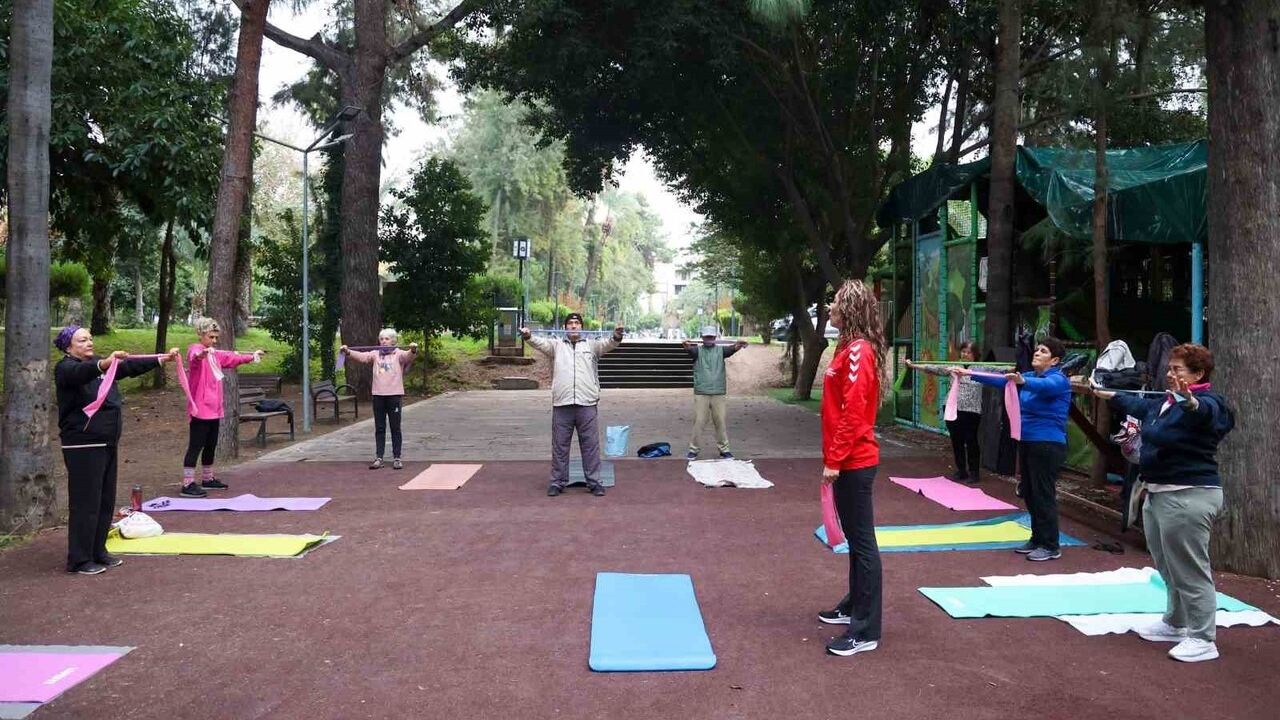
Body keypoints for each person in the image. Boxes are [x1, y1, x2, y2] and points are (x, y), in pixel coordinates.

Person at [1092, 343, 1233, 663]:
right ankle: (1176, 620)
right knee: (1168, 566)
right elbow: (1140, 406)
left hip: (1189, 496)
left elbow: (1206, 413)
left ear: (1198, 374)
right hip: (1158, 494)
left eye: (1178, 370)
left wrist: (1191, 399)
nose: (1170, 374)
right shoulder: (1164, 404)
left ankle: (1202, 637)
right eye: (1169, 368)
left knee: (1190, 569)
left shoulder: (1208, 404)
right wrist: (1108, 394)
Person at [54, 325, 179, 574]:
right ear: (69, 347)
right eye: (82, 340)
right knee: (85, 502)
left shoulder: (102, 366)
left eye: (90, 338)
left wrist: (159, 359)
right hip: (83, 443)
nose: (89, 342)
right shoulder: (66, 368)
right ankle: (79, 559)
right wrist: (103, 364)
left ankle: (98, 551)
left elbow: (127, 367)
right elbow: (82, 373)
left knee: (104, 500)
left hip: (107, 441)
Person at [816, 280, 886, 658]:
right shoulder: (846, 347)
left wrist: (834, 460)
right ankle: (853, 605)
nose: (830, 308)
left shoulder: (858, 350)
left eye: (835, 304)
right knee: (857, 543)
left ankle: (866, 630)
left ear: (851, 309)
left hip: (855, 462)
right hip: (847, 459)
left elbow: (854, 412)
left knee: (862, 544)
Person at [961, 337, 1072, 561]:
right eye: (1037, 350)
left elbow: (1045, 386)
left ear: (1055, 360)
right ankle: (1038, 538)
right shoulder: (1029, 377)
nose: (1037, 353)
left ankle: (1051, 545)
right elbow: (1001, 380)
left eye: (1043, 351)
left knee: (1043, 494)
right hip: (1028, 442)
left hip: (1048, 445)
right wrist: (968, 374)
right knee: (1029, 493)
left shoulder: (1058, 379)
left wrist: (1022, 381)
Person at [521, 313, 623, 497]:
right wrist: (528, 336)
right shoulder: (556, 346)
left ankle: (594, 482)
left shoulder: (592, 345)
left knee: (590, 446)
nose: (574, 326)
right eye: (570, 323)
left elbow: (609, 344)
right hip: (562, 404)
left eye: (577, 323)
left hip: (587, 403)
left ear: (581, 327)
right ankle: (557, 482)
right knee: (560, 446)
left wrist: (616, 336)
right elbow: (539, 342)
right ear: (565, 327)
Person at [181, 317, 264, 498]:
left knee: (211, 445)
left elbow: (232, 358)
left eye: (216, 337)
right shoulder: (196, 350)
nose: (214, 341)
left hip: (214, 410)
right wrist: (201, 354)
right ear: (201, 335)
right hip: (200, 410)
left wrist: (252, 356)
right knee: (196, 445)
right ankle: (187, 483)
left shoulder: (215, 355)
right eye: (211, 337)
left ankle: (208, 478)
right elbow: (194, 357)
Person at [906, 341, 985, 484]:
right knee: (956, 441)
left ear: (975, 354)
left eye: (968, 352)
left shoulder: (982, 369)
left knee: (971, 440)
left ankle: (974, 473)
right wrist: (913, 365)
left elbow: (1002, 370)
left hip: (971, 411)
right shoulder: (953, 368)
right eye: (963, 351)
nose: (965, 354)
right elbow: (933, 368)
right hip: (952, 409)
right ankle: (961, 470)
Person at [341, 329, 418, 470]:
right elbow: (362, 356)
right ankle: (379, 458)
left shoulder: (399, 354)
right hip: (378, 396)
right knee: (380, 428)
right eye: (381, 339)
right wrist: (348, 352)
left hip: (394, 396)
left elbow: (408, 356)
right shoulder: (375, 354)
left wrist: (413, 349)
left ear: (393, 341)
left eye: (387, 339)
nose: (383, 341)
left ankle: (397, 458)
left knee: (395, 428)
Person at [681, 326, 748, 460]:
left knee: (720, 421)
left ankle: (724, 450)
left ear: (715, 338)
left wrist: (740, 344)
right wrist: (685, 344)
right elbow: (688, 348)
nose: (709, 339)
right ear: (702, 337)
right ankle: (693, 450)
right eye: (707, 337)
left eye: (711, 337)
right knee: (699, 421)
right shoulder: (696, 351)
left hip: (718, 392)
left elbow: (733, 348)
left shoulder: (722, 351)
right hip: (702, 392)